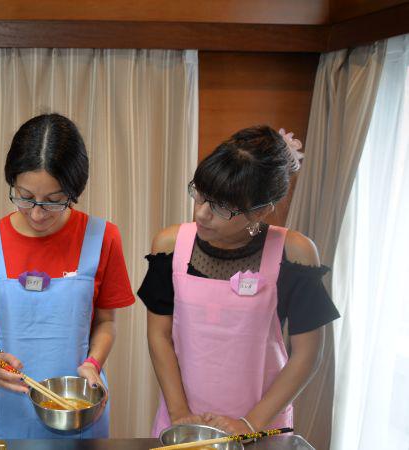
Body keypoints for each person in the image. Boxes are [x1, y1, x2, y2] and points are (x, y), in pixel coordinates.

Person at [139, 125, 340, 437]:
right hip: (183, 421)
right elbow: (159, 337)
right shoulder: (170, 245)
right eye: (201, 195)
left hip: (262, 426)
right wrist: (180, 415)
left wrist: (249, 424)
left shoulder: (294, 253)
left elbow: (307, 354)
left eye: (221, 207)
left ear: (260, 212)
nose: (202, 214)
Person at [0, 113, 135, 439]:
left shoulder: (102, 238)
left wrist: (93, 363)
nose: (37, 213)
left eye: (54, 201)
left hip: (76, 406)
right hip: (3, 404)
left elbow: (106, 321)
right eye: (24, 196)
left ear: (74, 190)